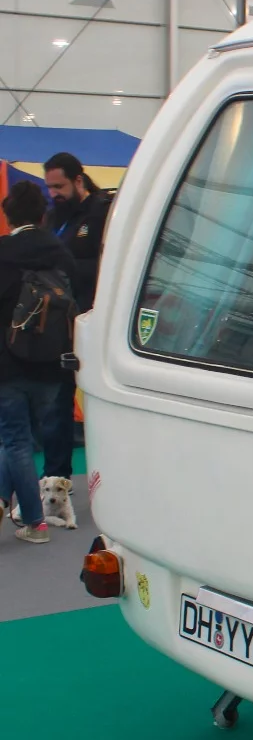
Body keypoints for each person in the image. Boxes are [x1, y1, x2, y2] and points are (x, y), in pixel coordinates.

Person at [0, 181, 76, 543]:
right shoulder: (59, 251)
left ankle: (35, 523)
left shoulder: (4, 252)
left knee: (14, 441)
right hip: (52, 363)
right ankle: (2, 501)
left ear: (7, 214)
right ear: (43, 214)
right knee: (31, 436)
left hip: (9, 363)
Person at [40, 152, 110, 495]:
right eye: (49, 186)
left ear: (78, 180)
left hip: (97, 325)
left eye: (59, 186)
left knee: (102, 403)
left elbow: (109, 266)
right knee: (57, 405)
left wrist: (64, 268)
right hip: (60, 328)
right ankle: (56, 481)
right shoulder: (52, 218)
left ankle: (114, 478)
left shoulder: (101, 212)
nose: (53, 192)